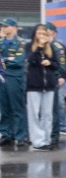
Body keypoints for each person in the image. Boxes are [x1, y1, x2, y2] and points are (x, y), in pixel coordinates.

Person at [25, 25, 63, 151]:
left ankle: (47, 139)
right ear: (35, 34)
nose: (41, 35)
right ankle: (37, 141)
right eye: (39, 33)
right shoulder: (29, 46)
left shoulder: (51, 48)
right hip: (34, 85)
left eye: (44, 33)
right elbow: (30, 60)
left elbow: (57, 64)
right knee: (34, 114)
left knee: (47, 115)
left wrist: (50, 63)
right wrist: (40, 47)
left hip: (49, 86)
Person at [0, 18, 29, 147]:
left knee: (17, 108)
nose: (4, 28)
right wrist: (8, 59)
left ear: (13, 27)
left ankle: (21, 135)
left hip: (15, 78)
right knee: (4, 108)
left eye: (6, 26)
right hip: (2, 78)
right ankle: (7, 134)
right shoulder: (1, 42)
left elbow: (18, 61)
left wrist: (4, 60)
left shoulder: (20, 43)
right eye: (3, 26)